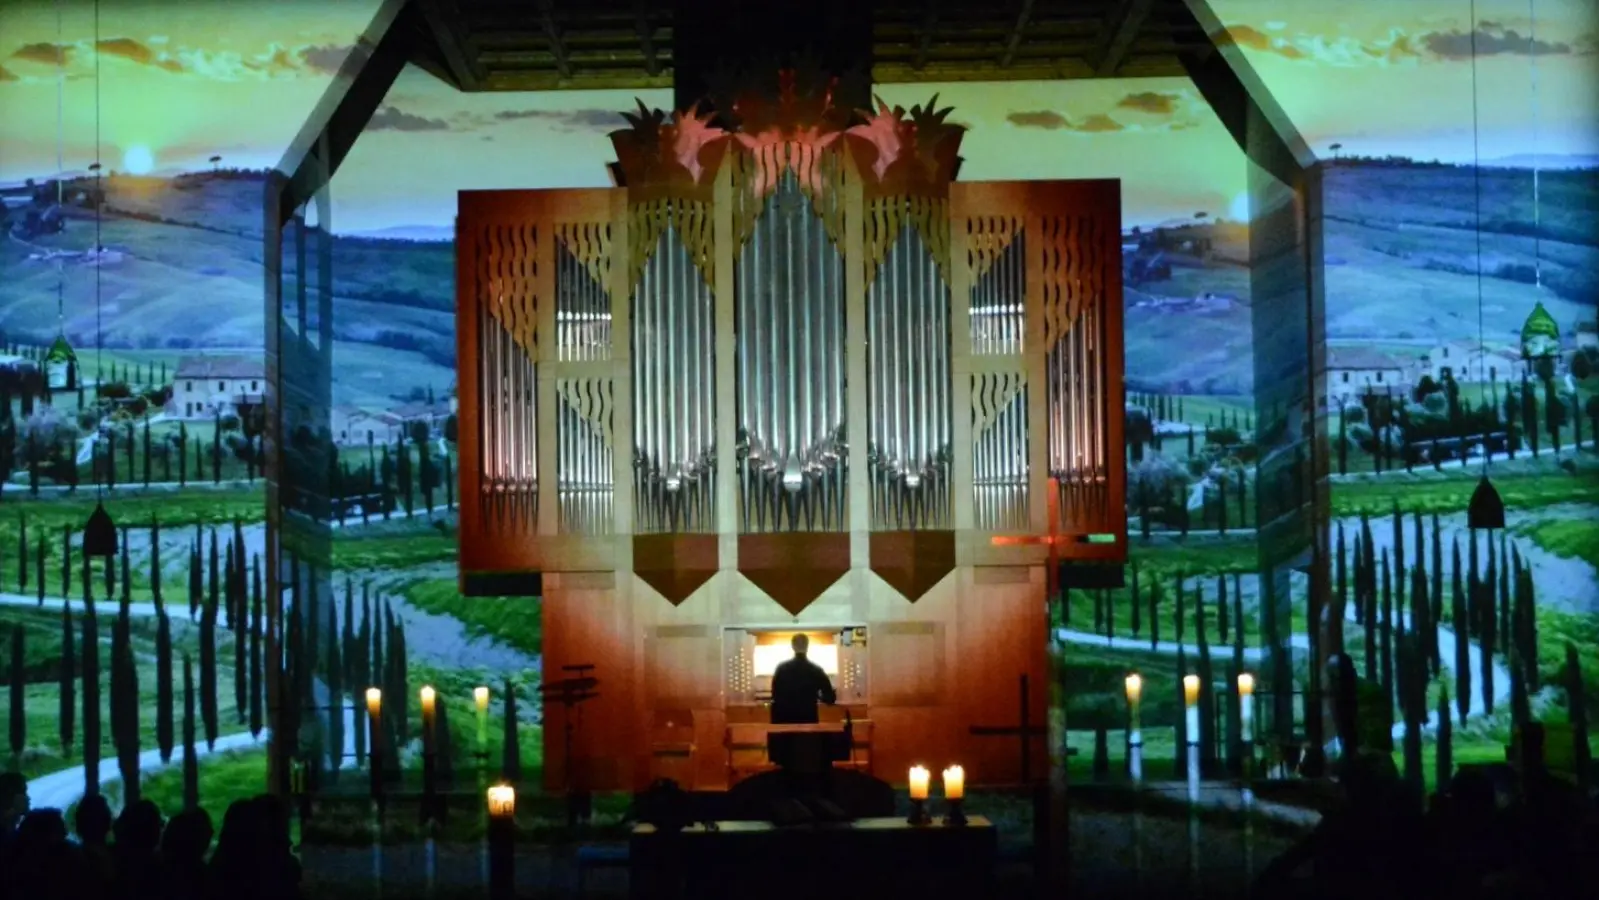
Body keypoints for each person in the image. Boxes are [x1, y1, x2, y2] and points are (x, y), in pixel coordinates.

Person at [769, 634, 836, 725]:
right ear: (808, 646)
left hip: (783, 723)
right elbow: (830, 699)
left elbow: (774, 695)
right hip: (807, 722)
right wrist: (818, 696)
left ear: (792, 647)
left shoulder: (781, 669)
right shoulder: (816, 670)